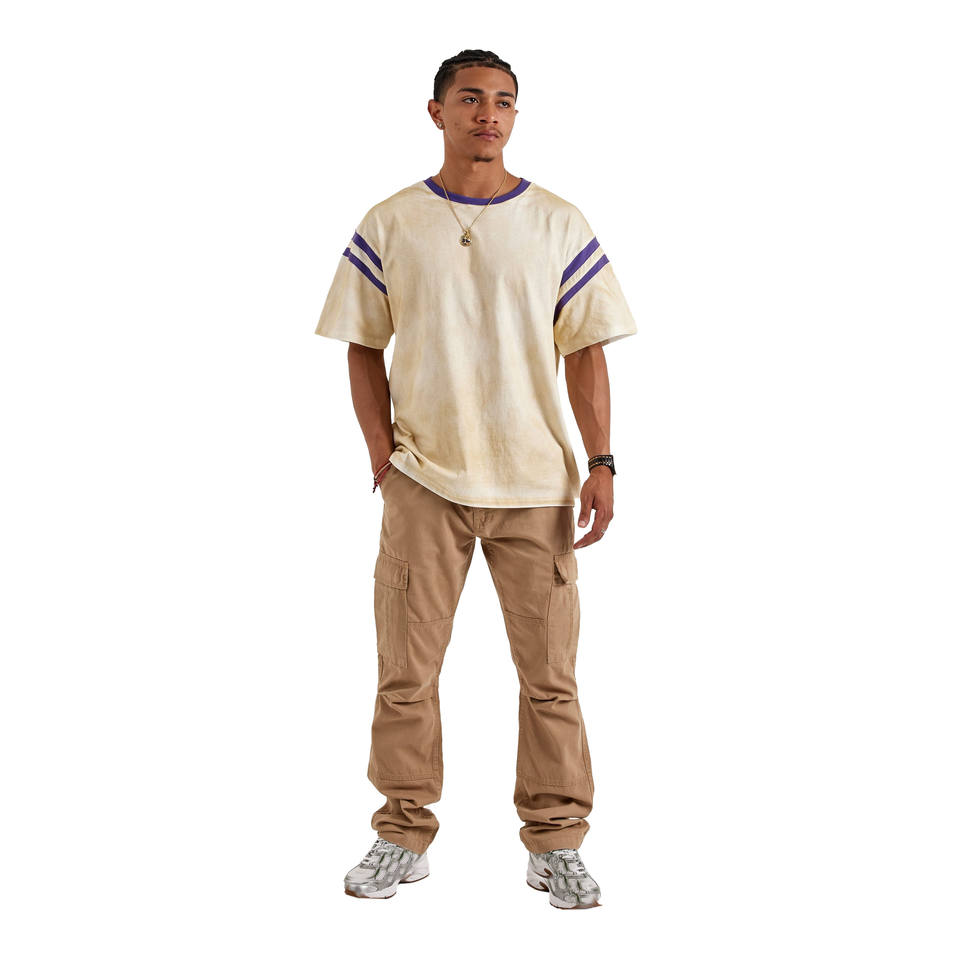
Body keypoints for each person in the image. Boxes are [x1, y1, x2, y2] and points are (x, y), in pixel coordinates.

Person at [314, 49, 636, 909]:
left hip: (537, 485)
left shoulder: (557, 222)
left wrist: (602, 460)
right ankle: (401, 832)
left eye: (503, 101)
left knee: (551, 677)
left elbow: (587, 350)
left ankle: (556, 841)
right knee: (405, 672)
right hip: (425, 481)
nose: (488, 113)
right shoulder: (392, 221)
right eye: (470, 99)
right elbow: (361, 341)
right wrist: (382, 454)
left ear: (515, 115)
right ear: (437, 111)